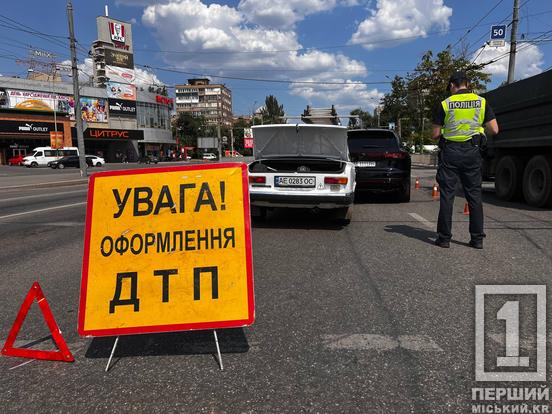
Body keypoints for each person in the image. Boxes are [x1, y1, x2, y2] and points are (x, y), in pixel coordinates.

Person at [432, 71, 499, 249]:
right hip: (473, 152)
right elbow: (495, 129)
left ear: (453, 85)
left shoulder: (446, 104)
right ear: (467, 84)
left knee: (447, 195)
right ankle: (477, 239)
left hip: (450, 152)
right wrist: (479, 133)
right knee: (474, 196)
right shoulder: (481, 101)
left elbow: (435, 134)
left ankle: (444, 238)